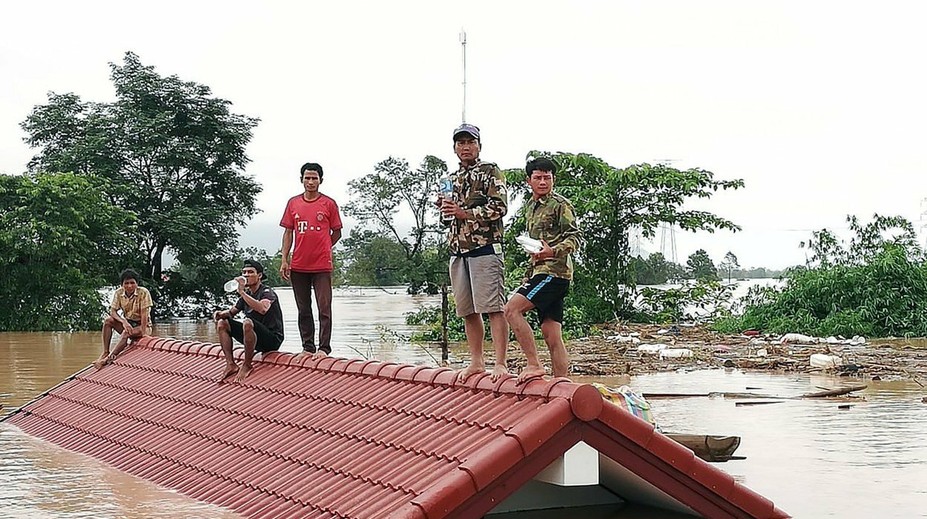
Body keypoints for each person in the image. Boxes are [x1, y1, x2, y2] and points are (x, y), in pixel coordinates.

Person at [439, 123, 509, 381]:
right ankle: (477, 361)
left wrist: (464, 212)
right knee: (467, 310)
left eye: (470, 142)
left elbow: (500, 208)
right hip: (458, 251)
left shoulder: (491, 172)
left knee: (493, 307)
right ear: (455, 148)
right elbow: (446, 220)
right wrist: (445, 210)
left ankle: (500, 363)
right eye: (461, 143)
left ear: (479, 145)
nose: (465, 147)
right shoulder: (450, 179)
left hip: (485, 248)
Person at [503, 157, 581, 383]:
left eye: (547, 177)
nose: (543, 182)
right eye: (538, 177)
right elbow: (535, 245)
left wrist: (552, 251)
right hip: (539, 272)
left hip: (554, 273)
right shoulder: (530, 207)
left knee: (511, 310)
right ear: (529, 181)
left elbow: (575, 237)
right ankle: (561, 384)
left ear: (553, 179)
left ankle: (534, 364)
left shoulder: (560, 205)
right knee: (551, 334)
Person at [279, 162, 343, 357]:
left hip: (322, 265)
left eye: (314, 178)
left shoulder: (329, 204)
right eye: (307, 178)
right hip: (299, 264)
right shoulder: (293, 203)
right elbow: (288, 232)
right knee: (303, 309)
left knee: (324, 307)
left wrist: (324, 247)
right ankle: (308, 347)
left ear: (320, 181)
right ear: (301, 180)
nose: (311, 181)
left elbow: (337, 232)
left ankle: (324, 348)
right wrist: (285, 259)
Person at [213, 260, 285, 382]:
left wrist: (241, 292)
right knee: (223, 323)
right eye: (244, 272)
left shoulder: (267, 292)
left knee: (247, 322)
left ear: (259, 275)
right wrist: (219, 314)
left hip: (272, 339)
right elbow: (231, 312)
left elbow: (263, 309)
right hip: (254, 336)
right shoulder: (246, 296)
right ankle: (231, 364)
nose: (246, 275)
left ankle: (247, 365)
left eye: (250, 272)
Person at [94, 269, 152, 370]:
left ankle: (108, 358)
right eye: (126, 283)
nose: (129, 286)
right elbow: (113, 311)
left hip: (143, 325)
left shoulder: (143, 292)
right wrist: (123, 322)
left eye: (132, 283)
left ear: (137, 284)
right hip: (128, 323)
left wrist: (143, 333)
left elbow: (144, 315)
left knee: (126, 333)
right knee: (108, 321)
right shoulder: (119, 293)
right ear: (122, 284)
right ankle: (105, 352)